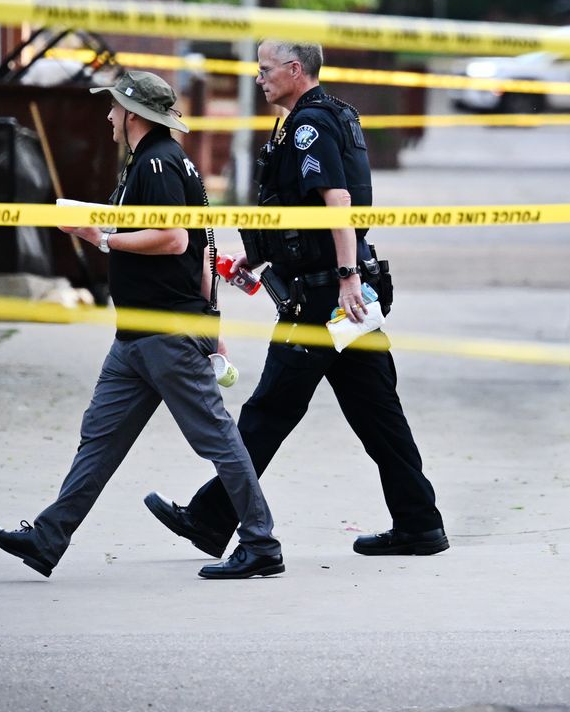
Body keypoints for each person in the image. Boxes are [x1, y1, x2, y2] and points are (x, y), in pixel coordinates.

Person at [143, 39, 448, 559]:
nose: (258, 78)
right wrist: (260, 258)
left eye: (265, 70)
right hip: (334, 299)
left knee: (267, 413)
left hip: (326, 301)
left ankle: (211, 518)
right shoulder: (325, 117)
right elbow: (298, 215)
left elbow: (337, 202)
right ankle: (419, 524)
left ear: (293, 69)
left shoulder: (311, 126)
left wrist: (347, 276)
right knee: (378, 415)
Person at [0, 71, 283, 580]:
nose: (108, 116)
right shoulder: (157, 162)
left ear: (134, 114)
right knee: (98, 438)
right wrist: (214, 322)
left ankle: (261, 543)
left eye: (114, 107)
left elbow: (174, 241)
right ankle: (48, 538)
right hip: (140, 336)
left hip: (166, 334)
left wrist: (101, 239)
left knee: (217, 439)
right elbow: (205, 247)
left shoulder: (159, 164)